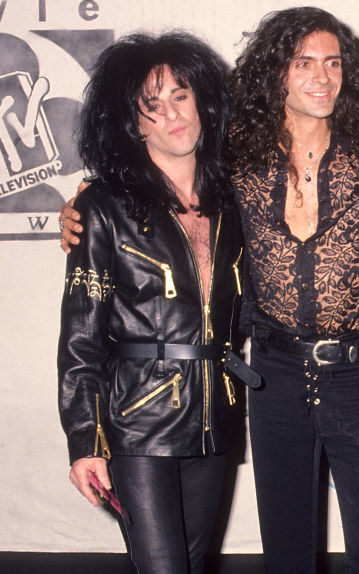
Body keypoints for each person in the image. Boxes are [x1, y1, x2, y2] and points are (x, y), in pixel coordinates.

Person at [228, 7, 359, 573]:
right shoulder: (235, 152)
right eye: (304, 62)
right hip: (273, 373)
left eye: (333, 63)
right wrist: (85, 198)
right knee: (285, 548)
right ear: (274, 72)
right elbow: (162, 180)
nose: (322, 77)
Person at [57, 32, 243, 573]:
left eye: (180, 96)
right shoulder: (102, 208)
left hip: (215, 411)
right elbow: (80, 337)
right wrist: (84, 440)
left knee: (188, 562)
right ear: (132, 124)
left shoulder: (235, 202)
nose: (171, 115)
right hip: (136, 420)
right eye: (152, 106)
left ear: (201, 100)